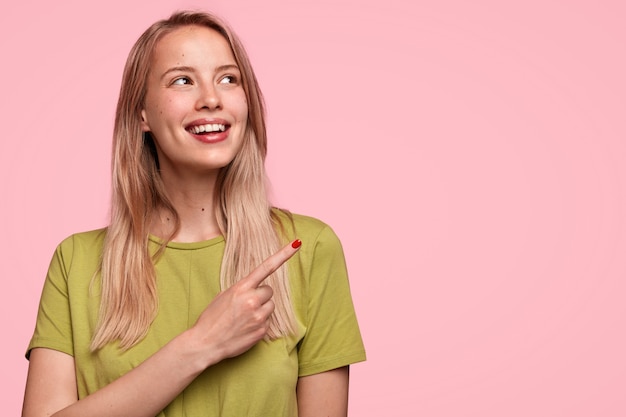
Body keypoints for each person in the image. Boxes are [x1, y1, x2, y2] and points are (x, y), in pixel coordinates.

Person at [22, 10, 365, 417]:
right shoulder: (76, 262)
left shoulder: (309, 249)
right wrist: (201, 345)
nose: (211, 98)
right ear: (141, 115)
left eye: (228, 78)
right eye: (182, 80)